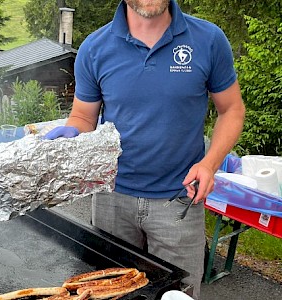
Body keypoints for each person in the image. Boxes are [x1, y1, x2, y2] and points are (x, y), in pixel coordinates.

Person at [44, 0, 245, 299]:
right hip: (111, 198)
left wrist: (210, 164)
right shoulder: (95, 47)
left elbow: (232, 110)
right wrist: (73, 131)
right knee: (108, 293)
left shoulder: (208, 40)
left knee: (179, 294)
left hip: (179, 203)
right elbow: (85, 116)